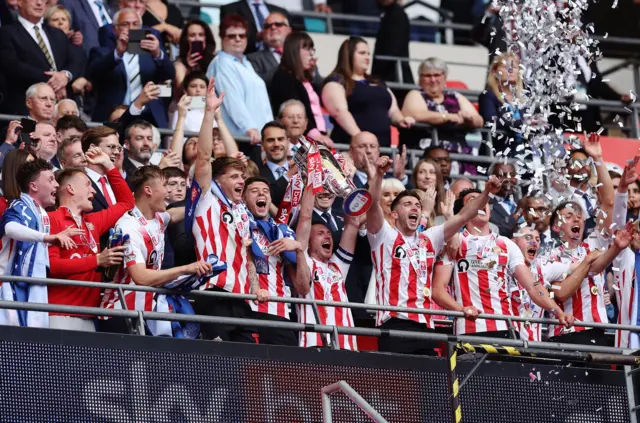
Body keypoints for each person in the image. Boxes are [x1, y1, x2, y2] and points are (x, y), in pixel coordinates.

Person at [366, 154, 501, 354]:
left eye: (418, 206)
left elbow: (464, 215)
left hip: (426, 326)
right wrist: (378, 174)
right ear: (394, 214)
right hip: (395, 323)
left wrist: (487, 193)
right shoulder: (383, 236)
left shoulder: (429, 238)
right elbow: (372, 204)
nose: (415, 208)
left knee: (429, 385)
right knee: (397, 384)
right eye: (407, 204)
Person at [432, 187, 573, 338]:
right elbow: (437, 290)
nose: (481, 204)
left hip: (506, 329)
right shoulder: (454, 243)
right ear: (464, 211)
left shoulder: (506, 244)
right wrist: (461, 309)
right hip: (469, 330)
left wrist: (558, 312)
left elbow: (532, 286)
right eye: (473, 201)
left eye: (483, 200)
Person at [99, 165, 212, 335]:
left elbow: (173, 214)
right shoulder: (129, 228)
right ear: (148, 190)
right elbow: (141, 277)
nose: (169, 191)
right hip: (120, 313)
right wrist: (186, 269)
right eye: (165, 185)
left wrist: (202, 204)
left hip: (146, 312)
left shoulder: (158, 218)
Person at [186, 77, 258, 342]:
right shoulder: (207, 199)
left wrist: (255, 287)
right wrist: (209, 114)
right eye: (234, 177)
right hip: (213, 291)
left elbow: (247, 255)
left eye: (242, 177)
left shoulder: (241, 210)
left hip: (241, 298)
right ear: (218, 180)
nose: (242, 181)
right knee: (217, 372)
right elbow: (204, 158)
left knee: (245, 373)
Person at [47, 147, 134, 331]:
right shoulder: (51, 219)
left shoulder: (93, 221)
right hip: (59, 312)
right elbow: (52, 266)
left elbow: (127, 202)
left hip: (89, 314)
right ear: (70, 188)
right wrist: (97, 260)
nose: (93, 191)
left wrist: (109, 165)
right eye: (87, 185)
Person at [0, 159, 82, 328]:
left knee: (34, 344)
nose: (57, 185)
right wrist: (47, 237)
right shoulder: (20, 206)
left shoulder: (42, 213)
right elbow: (10, 228)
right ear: (34, 186)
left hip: (35, 286)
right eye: (51, 180)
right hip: (13, 288)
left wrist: (53, 240)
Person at [294, 186, 361, 350]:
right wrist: (311, 183)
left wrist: (347, 190)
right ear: (308, 243)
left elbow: (352, 225)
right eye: (320, 233)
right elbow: (305, 217)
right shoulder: (305, 261)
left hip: (345, 346)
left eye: (329, 233)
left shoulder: (338, 266)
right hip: (312, 343)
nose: (327, 235)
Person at [87, 8, 175, 127]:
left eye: (135, 24)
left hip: (148, 116)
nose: (131, 28)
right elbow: (93, 73)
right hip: (113, 117)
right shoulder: (102, 52)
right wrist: (117, 53)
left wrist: (158, 54)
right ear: (115, 29)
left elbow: (170, 74)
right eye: (125, 24)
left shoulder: (151, 53)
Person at [322, 36, 414, 148]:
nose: (367, 57)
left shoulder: (378, 82)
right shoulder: (336, 82)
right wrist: (360, 138)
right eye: (362, 53)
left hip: (382, 150)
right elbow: (340, 112)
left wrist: (401, 119)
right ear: (348, 55)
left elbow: (393, 110)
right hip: (353, 149)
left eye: (368, 54)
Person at [510, 226, 598, 342]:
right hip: (506, 341)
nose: (534, 242)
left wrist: (613, 249)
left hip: (532, 346)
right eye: (528, 238)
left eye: (537, 239)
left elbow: (585, 268)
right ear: (513, 242)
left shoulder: (543, 266)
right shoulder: (502, 266)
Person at [243, 176, 301, 346]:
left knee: (286, 371)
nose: (261, 193)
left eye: (265, 191)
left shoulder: (282, 231)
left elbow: (303, 281)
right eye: (254, 191)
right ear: (244, 198)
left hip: (279, 311)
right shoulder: (240, 224)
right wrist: (256, 287)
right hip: (249, 309)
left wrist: (298, 248)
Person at [0, 0, 83, 115]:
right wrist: (54, 81)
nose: (39, 3)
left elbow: (74, 60)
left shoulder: (57, 33)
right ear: (19, 2)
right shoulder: (7, 33)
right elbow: (12, 66)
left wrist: (65, 75)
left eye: (43, 0)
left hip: (62, 109)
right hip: (26, 109)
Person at [401, 57, 483, 172]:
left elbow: (479, 120)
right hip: (427, 158)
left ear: (445, 78)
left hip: (458, 158)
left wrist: (469, 119)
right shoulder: (416, 94)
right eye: (428, 76)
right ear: (420, 79)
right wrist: (449, 117)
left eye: (437, 75)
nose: (433, 79)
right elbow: (417, 115)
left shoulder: (455, 96)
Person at [206, 14, 273, 144]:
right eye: (231, 36)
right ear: (222, 38)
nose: (238, 39)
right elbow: (232, 99)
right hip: (242, 138)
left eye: (241, 35)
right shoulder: (222, 63)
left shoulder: (246, 63)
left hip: (260, 136)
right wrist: (248, 128)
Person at [269, 31, 332, 146]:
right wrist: (316, 135)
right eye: (307, 49)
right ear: (294, 51)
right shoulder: (284, 77)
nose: (312, 54)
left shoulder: (305, 78)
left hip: (316, 136)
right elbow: (296, 111)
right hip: (300, 140)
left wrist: (313, 73)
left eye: (312, 49)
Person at [478, 53, 526, 156]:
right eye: (506, 67)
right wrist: (524, 124)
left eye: (514, 67)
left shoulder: (525, 98)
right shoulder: (488, 96)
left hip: (525, 155)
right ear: (495, 72)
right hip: (498, 153)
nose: (511, 70)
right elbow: (492, 122)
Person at [219, 0, 288, 55]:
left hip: (279, 56)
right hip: (248, 56)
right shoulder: (230, 8)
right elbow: (231, 35)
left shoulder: (280, 10)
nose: (273, 27)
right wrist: (257, 37)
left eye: (278, 24)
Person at [371, 0, 412, 88]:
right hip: (387, 74)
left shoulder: (397, 15)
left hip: (394, 75)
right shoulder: (387, 13)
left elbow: (393, 48)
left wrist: (377, 73)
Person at [174, 19, 216, 97]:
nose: (197, 38)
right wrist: (189, 70)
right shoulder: (180, 65)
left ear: (206, 38)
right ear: (186, 39)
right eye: (192, 35)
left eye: (201, 35)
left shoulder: (215, 61)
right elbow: (179, 95)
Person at [248, 12, 291, 85]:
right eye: (267, 26)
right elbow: (257, 84)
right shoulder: (253, 59)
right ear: (263, 33)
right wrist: (286, 67)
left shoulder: (300, 53)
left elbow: (315, 82)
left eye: (278, 24)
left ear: (289, 30)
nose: (273, 27)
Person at [411, 158, 445, 224]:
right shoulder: (407, 199)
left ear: (438, 177)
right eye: (422, 172)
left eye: (432, 172)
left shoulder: (447, 202)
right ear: (415, 177)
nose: (427, 176)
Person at [488, 162, 518, 238]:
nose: (508, 179)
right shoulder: (486, 205)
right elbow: (500, 231)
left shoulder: (521, 201)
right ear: (492, 178)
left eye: (512, 175)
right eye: (503, 175)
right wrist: (517, 214)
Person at [0, 149, 34, 215]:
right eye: (30, 167)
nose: (36, 171)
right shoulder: (2, 206)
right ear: (16, 170)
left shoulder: (37, 204)